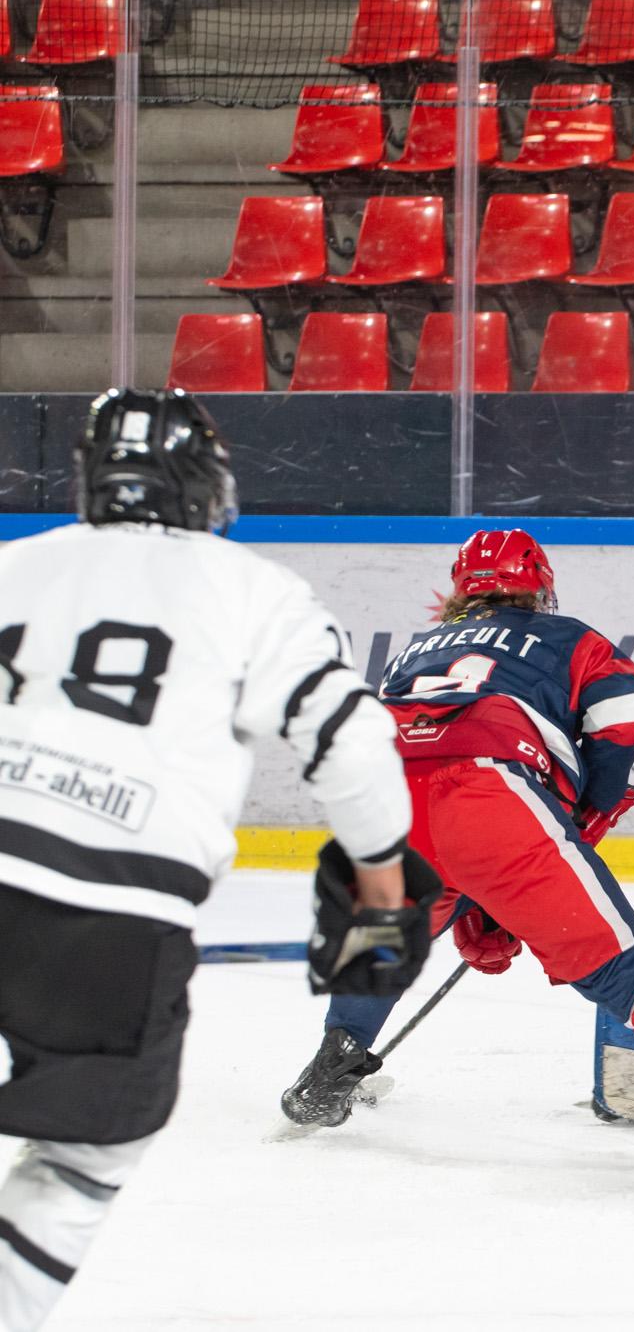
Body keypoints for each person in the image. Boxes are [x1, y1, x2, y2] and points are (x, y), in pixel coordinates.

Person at [0, 390, 437, 1330]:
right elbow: (354, 747)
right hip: (108, 917)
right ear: (201, 484)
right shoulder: (253, 590)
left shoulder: (13, 564)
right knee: (81, 1157)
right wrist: (383, 894)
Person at [279, 529, 634, 1170]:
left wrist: (475, 899)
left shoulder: (418, 647)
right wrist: (588, 811)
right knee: (625, 974)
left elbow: (420, 760)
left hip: (385, 801)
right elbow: (621, 715)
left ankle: (324, 1081)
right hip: (489, 792)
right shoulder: (568, 636)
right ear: (540, 586)